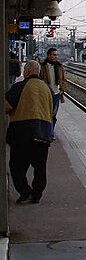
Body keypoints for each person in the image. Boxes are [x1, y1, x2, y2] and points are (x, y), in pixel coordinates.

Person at [6, 61, 54, 204]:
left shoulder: (19, 87)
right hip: (43, 133)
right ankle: (36, 194)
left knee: (16, 167)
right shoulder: (47, 89)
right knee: (40, 168)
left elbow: (6, 106)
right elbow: (53, 110)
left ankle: (24, 191)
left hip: (22, 133)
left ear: (26, 72)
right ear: (38, 72)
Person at [39, 47, 67, 133]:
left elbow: (64, 79)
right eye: (54, 55)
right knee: (46, 114)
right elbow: (40, 78)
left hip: (56, 93)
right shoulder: (43, 66)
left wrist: (62, 89)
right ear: (49, 55)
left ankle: (51, 132)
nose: (56, 57)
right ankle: (47, 132)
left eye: (56, 55)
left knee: (54, 115)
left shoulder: (59, 66)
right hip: (46, 94)